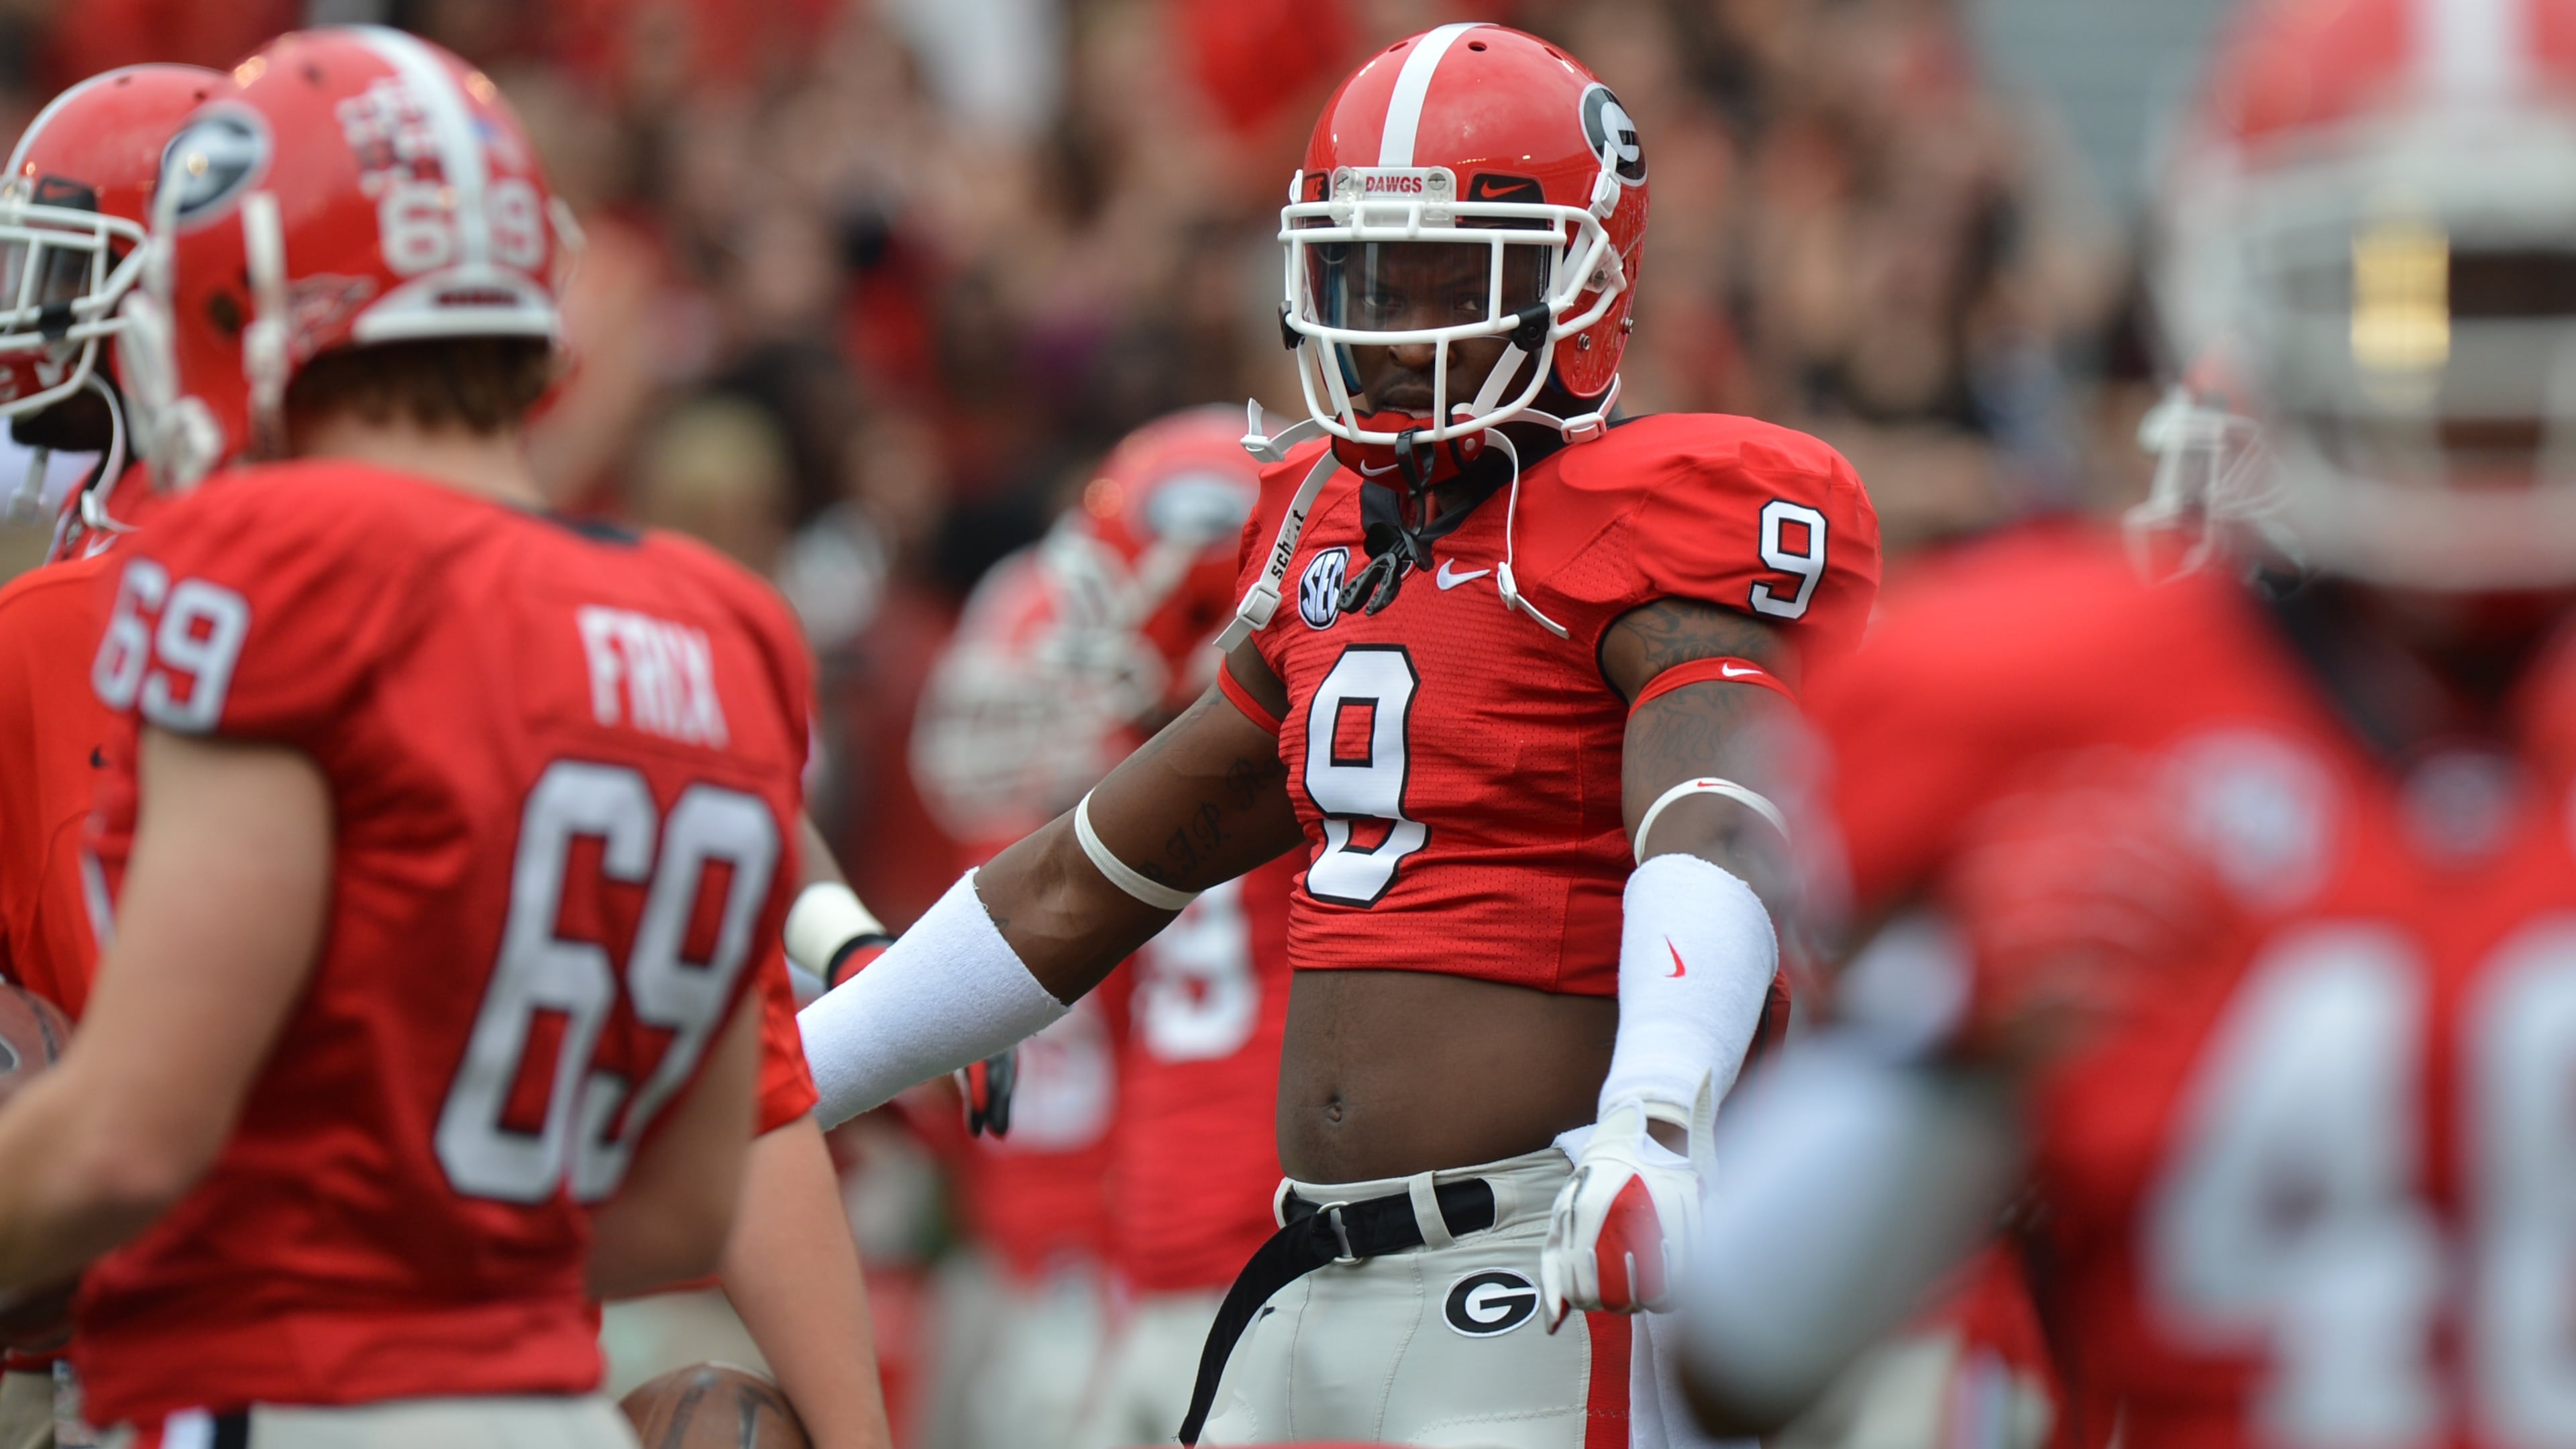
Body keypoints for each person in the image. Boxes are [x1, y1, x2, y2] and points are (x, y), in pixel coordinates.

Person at [800, 25, 1880, 1449]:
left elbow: (1716, 818)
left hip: (1538, 1262)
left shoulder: (1663, 515)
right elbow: (1082, 879)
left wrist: (1657, 1121)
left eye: (1445, 277)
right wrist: (783, 1079)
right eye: (1364, 275)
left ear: (1584, 283)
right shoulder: (1327, 530)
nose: (1391, 326)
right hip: (1307, 1269)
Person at [1677, 1, 2576, 1446]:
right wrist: (1959, 1037)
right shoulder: (2055, 697)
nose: (2471, 369)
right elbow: (1734, 1356)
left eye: (2538, 286)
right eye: (2401, 292)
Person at [0, 28, 802, 1445]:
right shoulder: (722, 629)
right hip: (541, 1406)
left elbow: (129, 1131)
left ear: (247, 296)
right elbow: (678, 1201)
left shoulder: (260, 571)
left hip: (275, 1393)